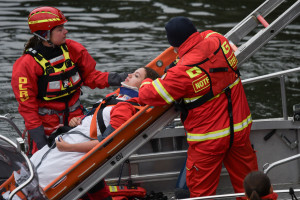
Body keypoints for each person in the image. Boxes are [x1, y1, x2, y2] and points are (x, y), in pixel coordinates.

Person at [138, 16, 258, 198]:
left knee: (202, 193)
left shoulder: (181, 71)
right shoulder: (218, 39)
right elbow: (207, 36)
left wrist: (146, 80)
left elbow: (149, 95)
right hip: (240, 130)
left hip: (209, 140)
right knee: (252, 185)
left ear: (174, 44)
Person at [11, 6, 128, 154]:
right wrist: (42, 146)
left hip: (77, 120)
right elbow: (28, 109)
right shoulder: (26, 65)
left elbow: (91, 77)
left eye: (63, 27)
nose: (65, 31)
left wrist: (124, 78)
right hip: (46, 127)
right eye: (60, 29)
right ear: (45, 35)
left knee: (90, 158)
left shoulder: (73, 49)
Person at [28, 67, 159, 198]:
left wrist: (69, 147)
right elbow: (97, 121)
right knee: (33, 165)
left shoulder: (124, 107)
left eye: (136, 76)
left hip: (75, 150)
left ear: (144, 87)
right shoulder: (116, 99)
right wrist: (79, 120)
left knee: (38, 177)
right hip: (69, 142)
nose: (129, 75)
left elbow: (107, 143)